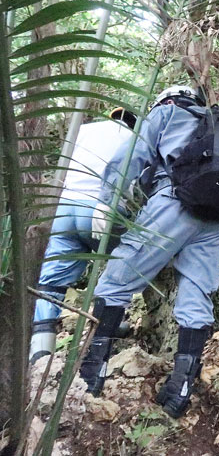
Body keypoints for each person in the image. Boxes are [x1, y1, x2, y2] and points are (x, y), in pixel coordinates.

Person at [79, 85, 219, 418]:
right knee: (196, 297)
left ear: (165, 98)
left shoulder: (166, 112)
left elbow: (132, 156)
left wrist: (106, 200)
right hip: (214, 219)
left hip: (172, 204)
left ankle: (90, 374)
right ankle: (180, 389)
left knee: (117, 280)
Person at [29, 108, 137, 364]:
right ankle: (110, 322)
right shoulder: (135, 138)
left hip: (66, 208)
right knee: (123, 262)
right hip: (102, 209)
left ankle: (40, 351)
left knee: (52, 280)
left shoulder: (83, 131)